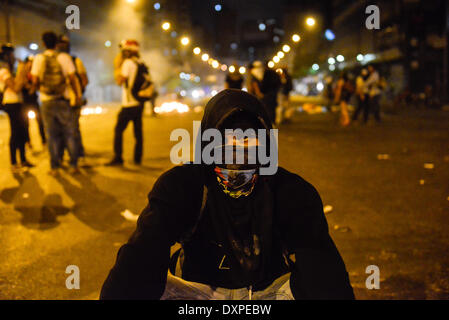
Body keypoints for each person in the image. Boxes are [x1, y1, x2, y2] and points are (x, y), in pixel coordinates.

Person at [100, 89, 354, 300]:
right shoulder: (183, 186)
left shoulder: (290, 192)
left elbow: (322, 268)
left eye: (249, 142)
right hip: (195, 293)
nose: (238, 154)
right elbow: (140, 258)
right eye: (226, 143)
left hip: (270, 293)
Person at [31, 31, 83, 175]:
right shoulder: (64, 57)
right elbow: (73, 78)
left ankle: (55, 167)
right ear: (57, 43)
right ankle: (73, 165)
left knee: (52, 135)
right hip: (63, 99)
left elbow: (34, 80)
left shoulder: (39, 58)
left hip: (46, 101)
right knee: (69, 132)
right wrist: (78, 96)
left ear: (43, 43)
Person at [108, 39, 152, 166]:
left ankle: (118, 157)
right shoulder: (140, 62)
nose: (122, 53)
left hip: (128, 104)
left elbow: (120, 81)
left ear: (128, 51)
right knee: (138, 132)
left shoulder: (127, 63)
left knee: (118, 130)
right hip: (139, 102)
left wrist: (117, 67)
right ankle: (138, 158)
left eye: (123, 51)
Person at [0, 44, 34, 172]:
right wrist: (22, 71)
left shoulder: (11, 71)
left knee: (22, 132)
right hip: (11, 104)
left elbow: (25, 87)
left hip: (18, 103)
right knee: (15, 133)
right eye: (12, 55)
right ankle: (14, 163)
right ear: (6, 56)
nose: (15, 57)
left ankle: (23, 160)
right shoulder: (3, 72)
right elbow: (15, 88)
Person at [56, 35, 88, 163]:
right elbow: (84, 80)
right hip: (66, 100)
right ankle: (72, 155)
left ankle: (74, 155)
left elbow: (84, 80)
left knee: (69, 129)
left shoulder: (73, 60)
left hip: (66, 100)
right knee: (69, 129)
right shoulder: (71, 60)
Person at [22, 55, 46, 148]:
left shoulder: (35, 73)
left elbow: (38, 84)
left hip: (34, 100)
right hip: (25, 101)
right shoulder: (22, 73)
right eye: (29, 62)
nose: (30, 64)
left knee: (40, 121)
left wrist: (33, 87)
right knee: (26, 123)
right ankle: (28, 142)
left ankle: (44, 140)